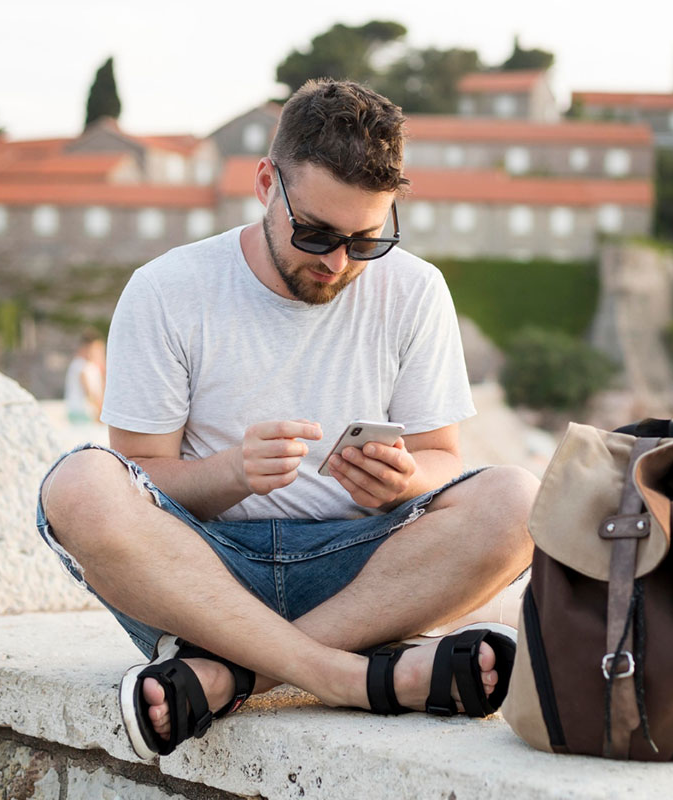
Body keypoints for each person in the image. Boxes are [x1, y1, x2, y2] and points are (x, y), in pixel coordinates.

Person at [35, 79, 538, 760]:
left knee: (518, 502)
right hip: (205, 576)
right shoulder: (167, 289)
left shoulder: (416, 289)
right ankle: (356, 676)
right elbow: (139, 478)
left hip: (364, 575)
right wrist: (232, 474)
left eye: (365, 241)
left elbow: (442, 457)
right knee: (79, 486)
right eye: (316, 233)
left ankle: (229, 676)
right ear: (266, 183)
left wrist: (402, 482)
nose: (337, 262)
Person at [64, 329, 106, 424]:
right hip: (83, 412)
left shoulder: (82, 364)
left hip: (78, 411)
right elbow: (90, 393)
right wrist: (100, 411)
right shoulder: (82, 366)